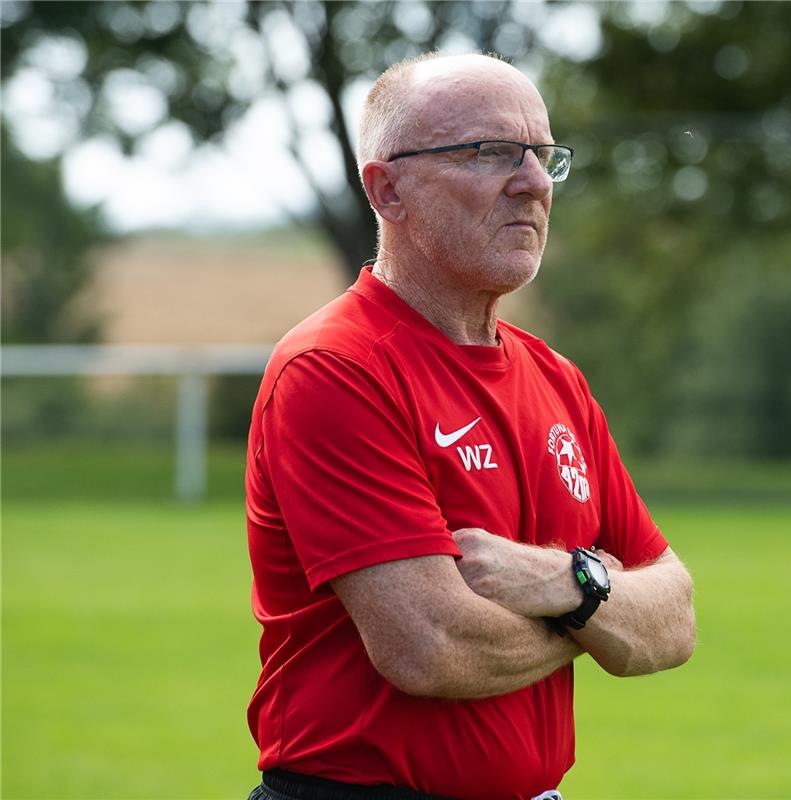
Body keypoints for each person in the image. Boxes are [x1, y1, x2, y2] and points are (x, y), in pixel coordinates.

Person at [244, 52, 696, 800]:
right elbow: (434, 646)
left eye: (542, 155)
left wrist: (561, 581)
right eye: (488, 153)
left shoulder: (557, 379)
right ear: (387, 190)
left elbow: (674, 619)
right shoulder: (335, 368)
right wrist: (603, 611)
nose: (533, 182)